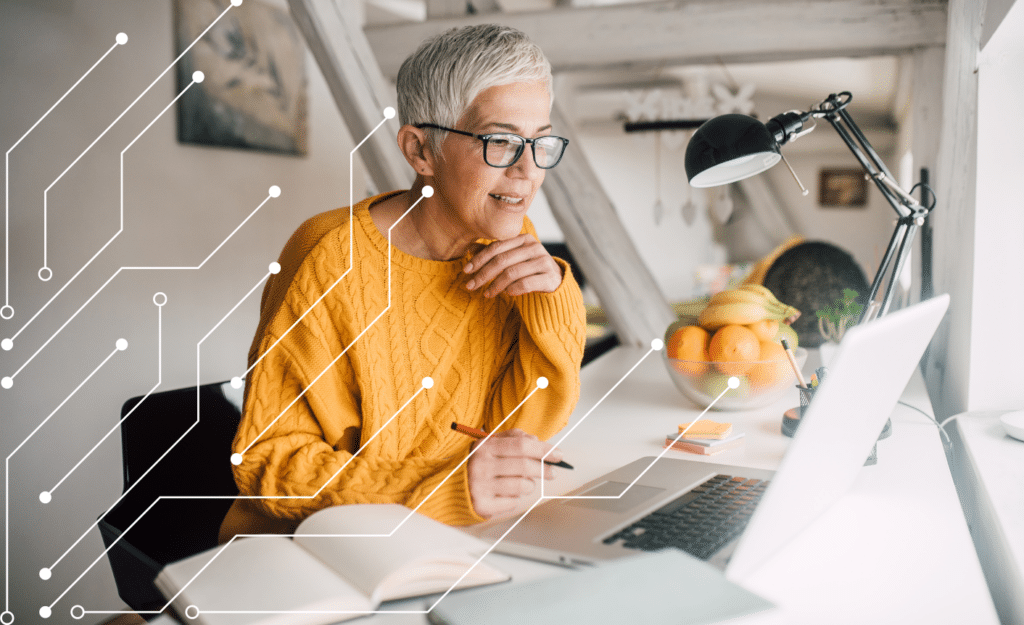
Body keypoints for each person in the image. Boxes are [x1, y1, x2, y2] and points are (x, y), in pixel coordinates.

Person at [218, 24, 586, 541]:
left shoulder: (504, 242)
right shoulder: (329, 257)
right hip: (306, 549)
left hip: (441, 537)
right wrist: (441, 488)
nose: (528, 170)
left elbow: (522, 433)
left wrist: (553, 300)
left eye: (540, 141)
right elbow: (268, 462)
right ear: (420, 152)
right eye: (500, 142)